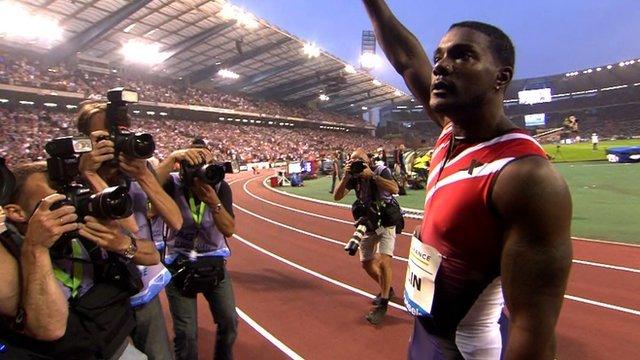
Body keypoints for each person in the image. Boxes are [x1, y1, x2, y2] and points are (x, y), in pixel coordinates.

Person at [362, 1, 573, 358]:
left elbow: (532, 329)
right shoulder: (450, 132)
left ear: (501, 77)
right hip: (424, 334)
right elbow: (407, 60)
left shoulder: (524, 177)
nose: (442, 65)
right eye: (440, 56)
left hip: (465, 348)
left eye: (463, 56)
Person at [2, 162, 154, 359]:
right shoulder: (6, 254)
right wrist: (35, 248)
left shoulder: (80, 219)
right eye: (51, 198)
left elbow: (152, 255)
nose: (65, 200)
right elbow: (50, 329)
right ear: (16, 212)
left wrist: (122, 243)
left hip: (116, 345)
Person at [75, 100, 183, 360]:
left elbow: (176, 221)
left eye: (119, 134)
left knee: (160, 355)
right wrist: (89, 173)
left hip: (140, 285)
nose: (115, 143)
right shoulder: (74, 176)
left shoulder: (134, 172)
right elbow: (130, 226)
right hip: (101, 298)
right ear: (86, 140)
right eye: (105, 137)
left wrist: (144, 176)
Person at [155, 142, 238, 360]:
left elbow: (229, 230)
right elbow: (148, 186)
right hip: (179, 264)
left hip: (214, 262)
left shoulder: (220, 187)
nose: (201, 170)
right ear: (182, 168)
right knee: (186, 333)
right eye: (194, 164)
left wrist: (214, 203)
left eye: (206, 164)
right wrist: (173, 156)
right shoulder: (172, 184)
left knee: (230, 321)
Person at [333, 148, 400, 325]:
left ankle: (383, 304)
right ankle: (388, 289)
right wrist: (346, 176)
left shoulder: (380, 170)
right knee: (366, 263)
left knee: (384, 261)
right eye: (353, 161)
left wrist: (372, 176)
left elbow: (395, 188)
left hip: (386, 220)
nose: (357, 165)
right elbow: (337, 197)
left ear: (368, 162)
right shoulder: (353, 177)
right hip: (369, 222)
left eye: (360, 161)